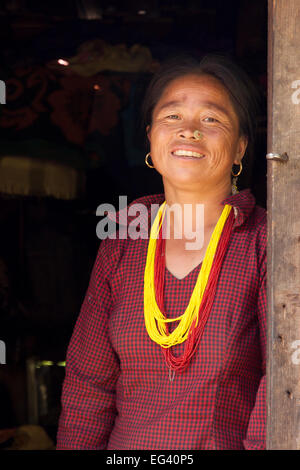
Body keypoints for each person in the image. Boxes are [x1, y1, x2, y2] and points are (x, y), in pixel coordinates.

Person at [56, 55, 266, 450]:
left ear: (239, 148)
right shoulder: (123, 238)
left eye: (211, 119)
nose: (188, 131)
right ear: (151, 137)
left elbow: (285, 384)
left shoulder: (266, 241)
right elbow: (88, 385)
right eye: (172, 117)